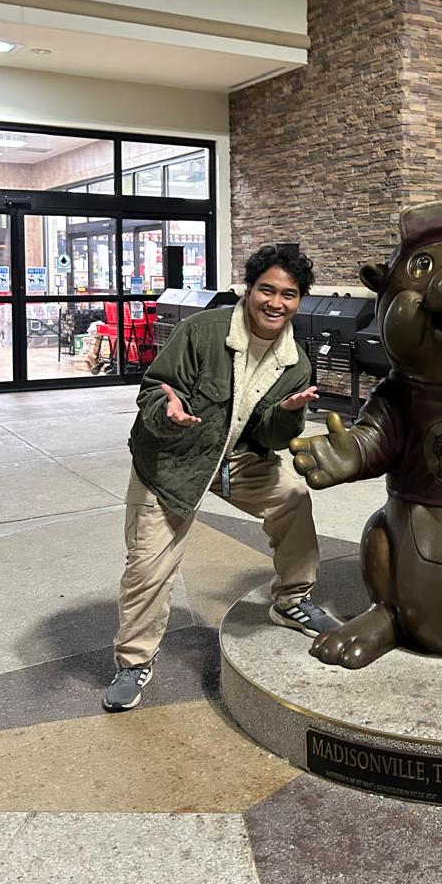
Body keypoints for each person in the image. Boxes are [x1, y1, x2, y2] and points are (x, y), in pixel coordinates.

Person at [103, 243, 340, 712]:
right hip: (173, 459)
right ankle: (133, 662)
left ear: (299, 301)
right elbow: (155, 388)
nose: (276, 303)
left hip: (236, 459)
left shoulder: (296, 363)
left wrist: (289, 414)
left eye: (288, 294)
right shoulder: (202, 331)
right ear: (248, 290)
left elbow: (269, 436)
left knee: (292, 497)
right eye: (266, 290)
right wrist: (169, 412)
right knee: (149, 564)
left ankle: (292, 600)